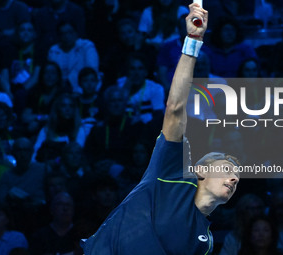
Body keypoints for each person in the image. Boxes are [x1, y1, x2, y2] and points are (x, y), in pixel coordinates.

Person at [81, 4, 240, 254]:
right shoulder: (167, 174)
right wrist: (193, 41)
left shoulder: (205, 241)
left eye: (235, 175)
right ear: (199, 171)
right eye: (225, 169)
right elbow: (175, 108)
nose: (233, 178)